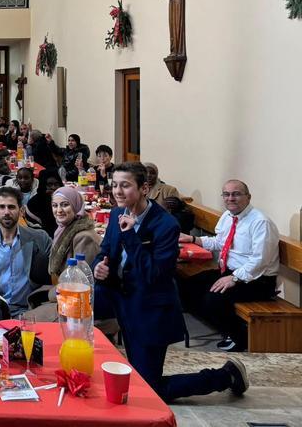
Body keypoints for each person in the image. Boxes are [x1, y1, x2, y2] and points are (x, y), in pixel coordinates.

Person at [93, 162, 248, 402]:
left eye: (125, 186)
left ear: (144, 188)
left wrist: (131, 236)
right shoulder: (116, 214)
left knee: (151, 389)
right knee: (71, 304)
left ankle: (225, 376)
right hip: (122, 299)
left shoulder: (166, 225)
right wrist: (99, 267)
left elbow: (155, 275)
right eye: (114, 185)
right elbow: (105, 250)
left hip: (150, 309)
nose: (117, 192)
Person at [178, 180, 279, 352]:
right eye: (226, 194)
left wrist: (234, 278)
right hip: (230, 271)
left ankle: (240, 337)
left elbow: (260, 260)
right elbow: (220, 242)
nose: (230, 198)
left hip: (257, 279)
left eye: (236, 194)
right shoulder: (228, 216)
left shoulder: (260, 222)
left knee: (213, 299)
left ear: (248, 197)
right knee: (187, 286)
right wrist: (194, 239)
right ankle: (225, 328)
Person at [0, 187, 52, 317]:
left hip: (29, 311)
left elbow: (58, 267)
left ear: (21, 210)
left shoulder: (39, 238)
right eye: (1, 207)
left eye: (11, 207)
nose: (6, 212)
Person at [49, 186, 101, 279]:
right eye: (55, 205)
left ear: (76, 205)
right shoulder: (62, 229)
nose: (59, 210)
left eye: (65, 205)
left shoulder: (84, 237)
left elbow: (82, 279)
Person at [24, 169, 61, 236]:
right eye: (49, 185)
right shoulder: (34, 204)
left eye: (56, 184)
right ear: (43, 185)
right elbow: (39, 233)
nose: (53, 188)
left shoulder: (63, 200)